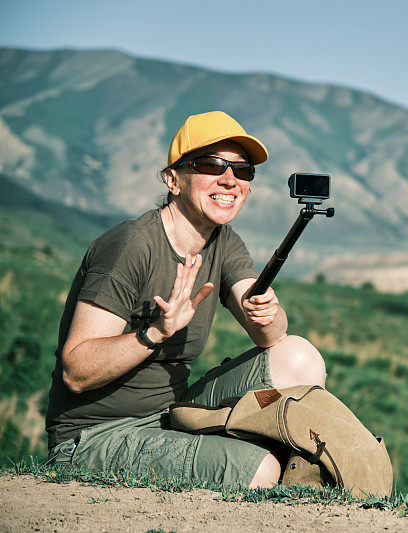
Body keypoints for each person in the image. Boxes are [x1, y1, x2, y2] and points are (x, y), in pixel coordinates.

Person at [45, 111, 327, 489]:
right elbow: (76, 372)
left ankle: (294, 475)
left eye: (242, 171)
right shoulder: (130, 246)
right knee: (259, 470)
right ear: (173, 179)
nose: (229, 179)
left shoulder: (224, 242)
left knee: (299, 356)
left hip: (172, 415)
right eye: (212, 165)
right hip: (93, 437)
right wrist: (156, 332)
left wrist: (266, 311)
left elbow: (270, 335)